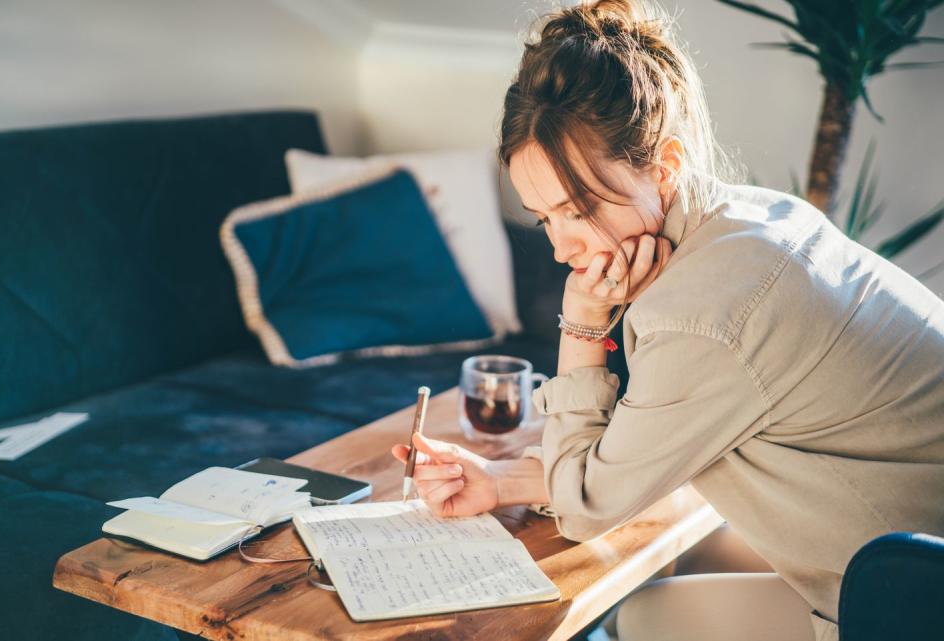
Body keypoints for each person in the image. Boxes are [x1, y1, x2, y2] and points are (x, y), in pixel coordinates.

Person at [390, 2, 944, 640]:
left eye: (578, 209)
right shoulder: (751, 220)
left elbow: (585, 507)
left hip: (915, 598)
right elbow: (643, 450)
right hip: (899, 555)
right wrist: (500, 480)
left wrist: (582, 323)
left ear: (666, 166)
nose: (560, 249)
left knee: (641, 616)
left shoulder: (705, 310)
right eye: (545, 217)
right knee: (672, 573)